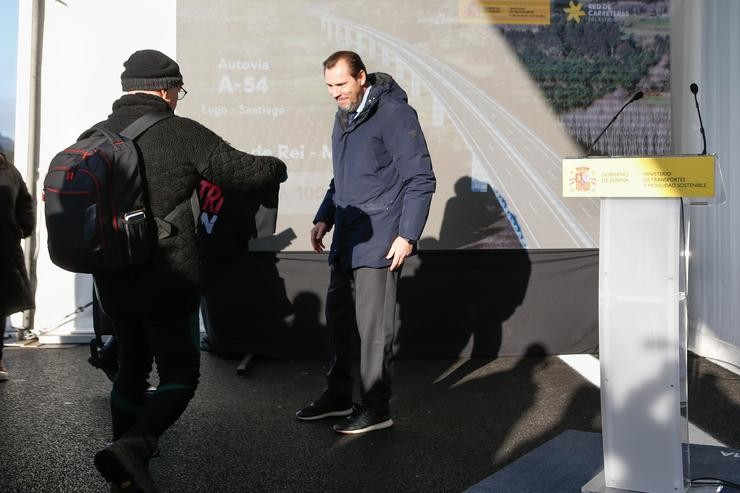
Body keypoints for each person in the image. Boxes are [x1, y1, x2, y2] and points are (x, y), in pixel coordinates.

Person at [90, 49, 287, 492]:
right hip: (167, 279)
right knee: (180, 372)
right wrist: (278, 166)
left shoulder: (94, 135)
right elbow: (247, 172)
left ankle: (124, 469)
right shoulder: (181, 133)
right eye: (178, 90)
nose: (178, 98)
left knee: (132, 367)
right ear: (165, 89)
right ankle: (135, 447)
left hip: (112, 278)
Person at [295, 51, 435, 434]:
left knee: (374, 330)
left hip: (381, 239)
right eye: (329, 86)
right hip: (348, 238)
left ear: (361, 77)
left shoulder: (393, 114)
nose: (334, 93)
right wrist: (325, 215)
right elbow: (342, 177)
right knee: (340, 321)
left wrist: (407, 234)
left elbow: (421, 178)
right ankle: (339, 397)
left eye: (340, 84)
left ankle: (376, 407)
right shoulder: (345, 116)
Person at [0, 151, 36, 382]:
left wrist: (23, 228)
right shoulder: (8, 169)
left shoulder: (8, 170)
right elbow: (25, 204)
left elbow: (25, 204)